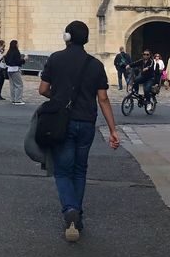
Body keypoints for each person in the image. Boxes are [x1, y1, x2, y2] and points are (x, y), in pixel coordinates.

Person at [39, 21, 121, 242]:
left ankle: (70, 210)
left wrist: (58, 99)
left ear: (67, 37)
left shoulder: (55, 59)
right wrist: (113, 130)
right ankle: (77, 215)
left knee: (63, 171)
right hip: (86, 122)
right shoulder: (94, 64)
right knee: (80, 170)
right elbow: (102, 98)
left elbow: (43, 89)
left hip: (62, 123)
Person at [3, 40, 26, 104]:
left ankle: (13, 99)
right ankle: (18, 100)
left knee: (12, 85)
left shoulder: (9, 52)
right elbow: (17, 61)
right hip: (15, 69)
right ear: (15, 45)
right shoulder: (16, 52)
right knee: (19, 85)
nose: (18, 45)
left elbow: (6, 59)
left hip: (9, 69)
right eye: (17, 44)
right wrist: (24, 59)